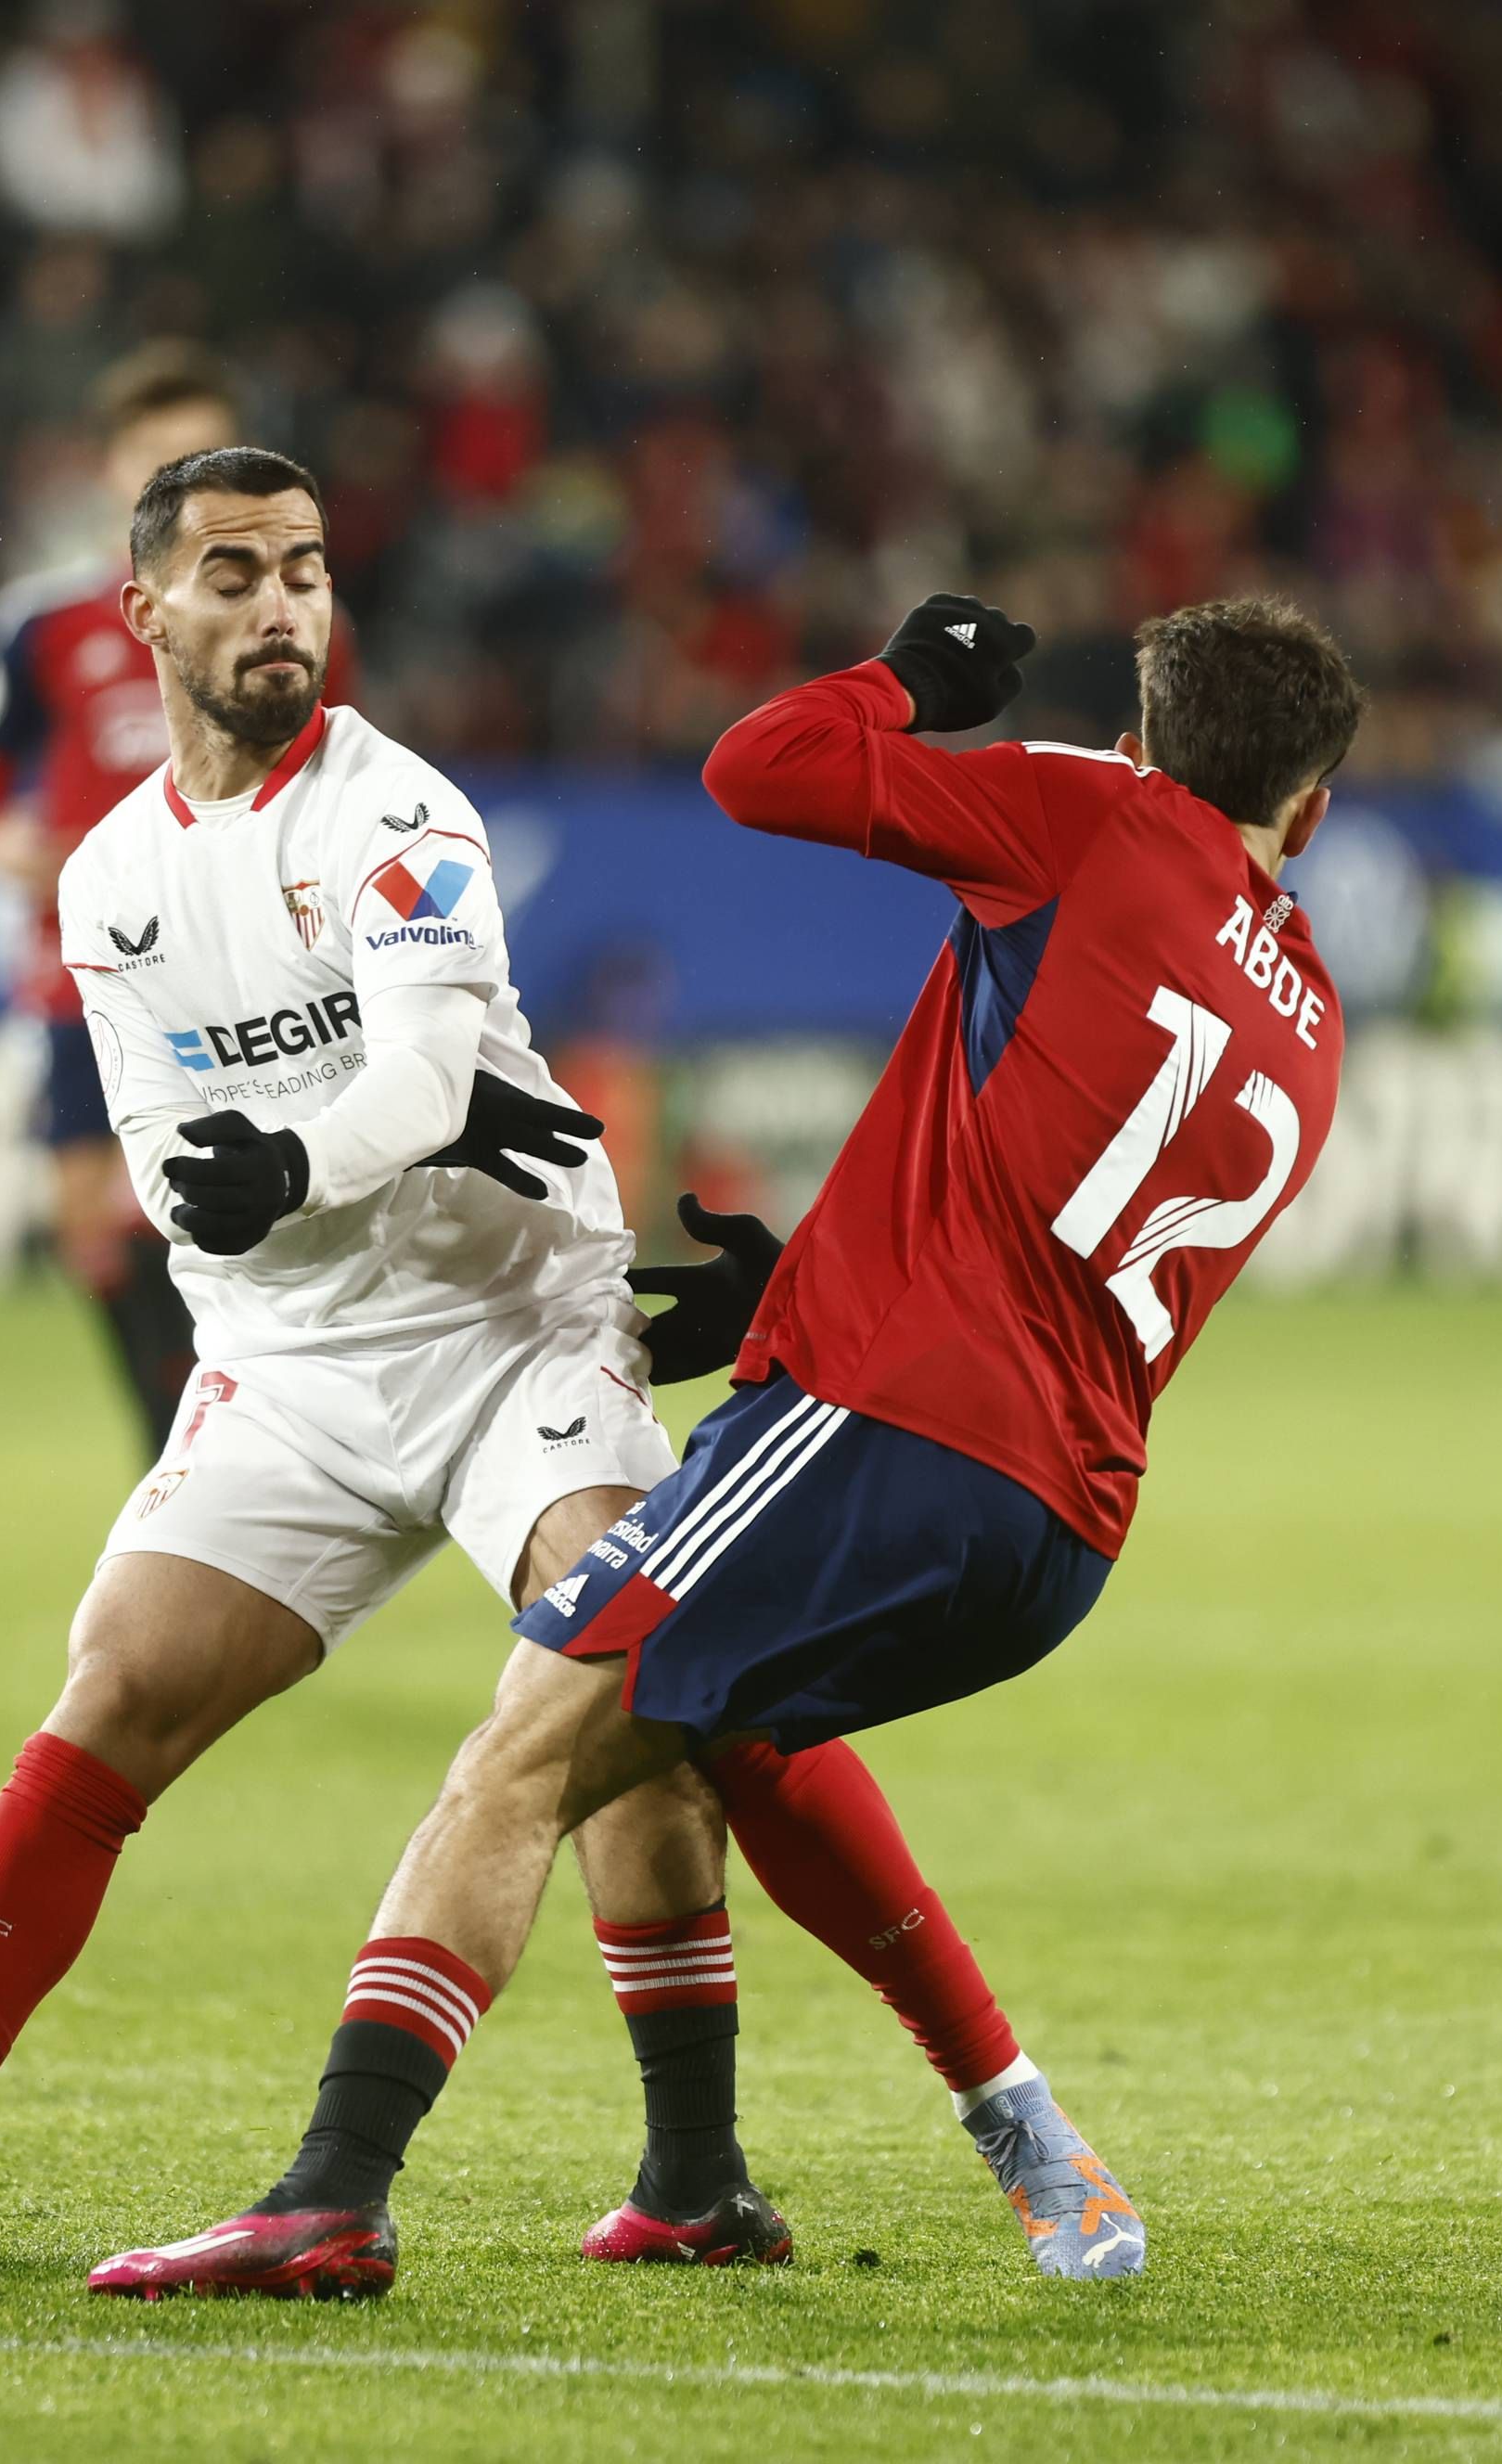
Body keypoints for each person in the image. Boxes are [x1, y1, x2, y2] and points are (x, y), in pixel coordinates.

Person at [0, 452, 1108, 2278]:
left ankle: (882, 2125)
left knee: (667, 1686)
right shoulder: (113, 877)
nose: (281, 605)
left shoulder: (399, 811)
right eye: (232, 574)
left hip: (514, 1326)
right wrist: (242, 1191)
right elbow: (162, 1157)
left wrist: (295, 1158)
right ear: (145, 613)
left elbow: (424, 1073)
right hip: (293, 1358)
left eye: (304, 570)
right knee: (117, 1685)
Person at [87, 588, 1363, 2301]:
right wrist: (800, 1297)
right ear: (1316, 810)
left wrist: (910, 685)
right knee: (708, 1739)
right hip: (1057, 1529)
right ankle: (915, 2151)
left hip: (883, 1431)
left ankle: (332, 2190)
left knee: (521, 1747)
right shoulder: (1311, 1020)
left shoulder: (1099, 812)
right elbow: (1049, 1200)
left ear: (1137, 746)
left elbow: (762, 766)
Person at [0, 344, 331, 1457]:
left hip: (240, 951)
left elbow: (329, 766)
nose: (176, 477)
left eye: (199, 457)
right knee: (88, 1217)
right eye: (154, 457)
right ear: (113, 471)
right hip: (84, 952)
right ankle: (171, 1451)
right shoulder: (44, 624)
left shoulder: (291, 617)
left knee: (224, 1204)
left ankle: (246, 1443)